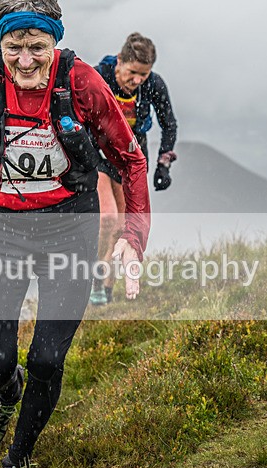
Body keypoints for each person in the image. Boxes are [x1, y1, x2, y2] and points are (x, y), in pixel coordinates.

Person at [0, 0, 150, 468]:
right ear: (0, 44)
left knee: (48, 360)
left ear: (54, 42)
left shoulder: (81, 82)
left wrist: (132, 240)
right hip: (0, 229)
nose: (26, 60)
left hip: (68, 228)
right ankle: (4, 393)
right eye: (14, 47)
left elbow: (130, 159)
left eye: (37, 47)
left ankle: (19, 458)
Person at [89, 32, 178, 306]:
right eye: (132, 73)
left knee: (124, 227)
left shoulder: (153, 84)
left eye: (143, 74)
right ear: (119, 62)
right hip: (98, 154)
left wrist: (164, 164)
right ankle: (95, 274)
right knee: (107, 218)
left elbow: (169, 124)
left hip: (131, 156)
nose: (137, 80)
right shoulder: (98, 77)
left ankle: (106, 287)